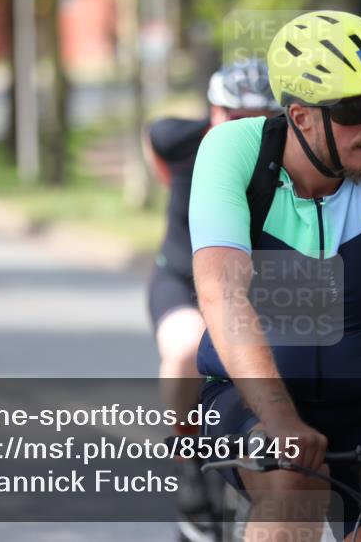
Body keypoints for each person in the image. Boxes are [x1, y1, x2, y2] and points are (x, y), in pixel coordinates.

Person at [189, 11, 361, 542]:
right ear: (301, 116)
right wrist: (279, 418)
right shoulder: (234, 150)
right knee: (295, 488)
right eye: (354, 110)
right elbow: (222, 295)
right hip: (245, 402)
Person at [144, 58, 281, 541]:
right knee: (186, 349)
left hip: (251, 288)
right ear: (213, 112)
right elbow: (153, 139)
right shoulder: (181, 141)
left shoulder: (288, 154)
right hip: (182, 280)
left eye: (260, 119)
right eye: (234, 117)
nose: (246, 129)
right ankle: (188, 458)